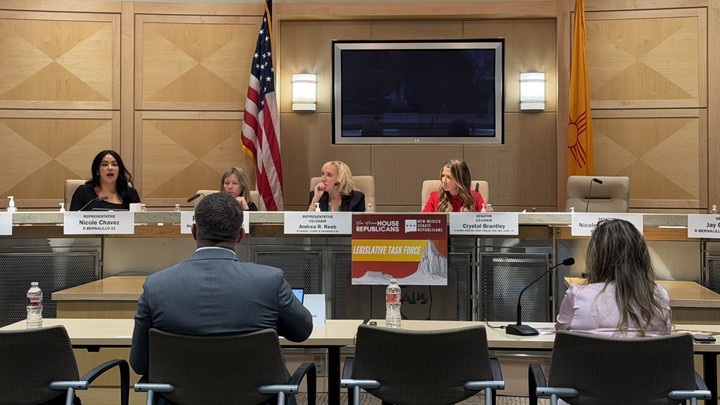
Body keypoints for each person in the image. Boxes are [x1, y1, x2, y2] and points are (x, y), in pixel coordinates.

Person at [130, 193, 313, 403]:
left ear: (194, 231)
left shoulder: (155, 286)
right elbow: (302, 331)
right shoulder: (270, 281)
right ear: (241, 235)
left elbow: (139, 364)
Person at [556, 219, 671, 337]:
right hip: (646, 356)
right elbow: (665, 336)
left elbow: (561, 332)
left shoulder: (577, 294)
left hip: (592, 355)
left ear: (596, 257)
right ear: (641, 255)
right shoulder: (659, 294)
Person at [70, 150, 140, 211]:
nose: (110, 168)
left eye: (114, 164)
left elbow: (139, 222)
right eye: (104, 165)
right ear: (97, 170)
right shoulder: (83, 192)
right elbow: (72, 222)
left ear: (119, 170)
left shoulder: (130, 194)